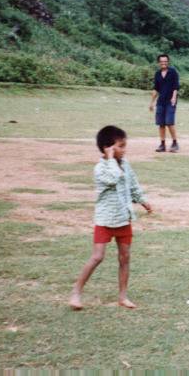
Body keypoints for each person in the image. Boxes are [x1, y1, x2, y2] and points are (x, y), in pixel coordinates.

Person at [69, 126, 152, 310]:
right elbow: (114, 178)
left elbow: (132, 184)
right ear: (108, 148)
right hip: (105, 220)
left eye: (124, 145)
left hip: (124, 219)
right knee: (97, 257)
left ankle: (123, 296)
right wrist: (110, 158)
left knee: (125, 258)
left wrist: (142, 201)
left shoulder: (125, 163)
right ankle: (76, 292)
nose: (124, 149)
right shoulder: (101, 168)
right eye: (120, 146)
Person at [149, 54, 180, 152]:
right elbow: (156, 89)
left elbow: (176, 86)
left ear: (168, 62)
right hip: (160, 102)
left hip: (170, 101)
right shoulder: (157, 74)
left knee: (169, 122)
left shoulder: (173, 72)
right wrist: (151, 103)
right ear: (159, 63)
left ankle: (175, 143)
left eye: (165, 61)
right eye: (162, 61)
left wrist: (174, 98)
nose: (164, 63)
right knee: (161, 124)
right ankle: (162, 145)